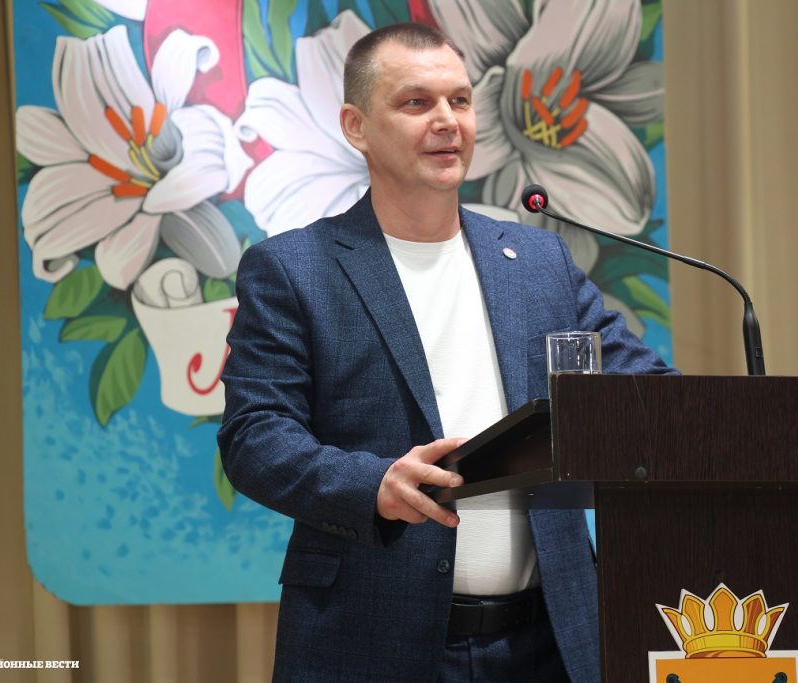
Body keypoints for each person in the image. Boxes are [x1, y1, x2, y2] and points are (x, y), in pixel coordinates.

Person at [218, 21, 675, 683]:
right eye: (416, 102)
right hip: (372, 642)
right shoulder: (294, 269)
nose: (447, 121)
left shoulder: (538, 260)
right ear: (356, 126)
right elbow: (255, 437)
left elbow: (644, 389)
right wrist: (372, 484)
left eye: (460, 100)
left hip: (548, 645)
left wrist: (717, 419)